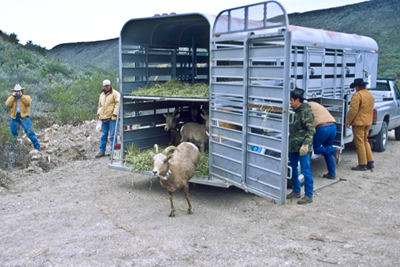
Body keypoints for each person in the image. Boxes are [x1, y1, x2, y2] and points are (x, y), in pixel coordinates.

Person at [287, 88, 315, 204]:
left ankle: (309, 195)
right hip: (293, 145)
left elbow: (311, 130)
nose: (290, 102)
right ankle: (296, 190)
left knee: (305, 170)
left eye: (291, 100)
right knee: (292, 168)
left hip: (302, 147)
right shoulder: (295, 111)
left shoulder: (306, 112)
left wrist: (306, 145)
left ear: (297, 100)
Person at [346, 78, 374, 171]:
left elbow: (353, 110)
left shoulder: (357, 95)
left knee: (359, 142)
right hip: (368, 121)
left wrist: (348, 121)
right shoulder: (369, 94)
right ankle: (370, 162)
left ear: (357, 86)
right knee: (365, 140)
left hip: (359, 122)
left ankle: (362, 164)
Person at [308, 101, 340, 179]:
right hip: (333, 126)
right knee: (327, 149)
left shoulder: (305, 107)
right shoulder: (316, 104)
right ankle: (332, 173)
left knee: (311, 149)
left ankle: (334, 150)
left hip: (322, 128)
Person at [5, 84, 41, 151]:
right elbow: (7, 104)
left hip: (25, 117)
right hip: (14, 117)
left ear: (21, 91)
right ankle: (13, 150)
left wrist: (22, 96)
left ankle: (37, 146)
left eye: (18, 91)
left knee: (29, 132)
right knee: (13, 134)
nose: (17, 92)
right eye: (16, 91)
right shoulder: (12, 98)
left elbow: (29, 102)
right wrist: (13, 96)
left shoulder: (25, 97)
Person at [96, 79, 120, 158]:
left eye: (108, 85)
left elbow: (118, 103)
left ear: (110, 85)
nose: (107, 87)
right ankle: (102, 151)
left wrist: (115, 114)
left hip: (112, 118)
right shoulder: (102, 95)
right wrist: (99, 113)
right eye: (105, 86)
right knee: (103, 135)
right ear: (103, 86)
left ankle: (115, 154)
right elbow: (100, 105)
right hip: (104, 118)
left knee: (113, 136)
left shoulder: (115, 94)